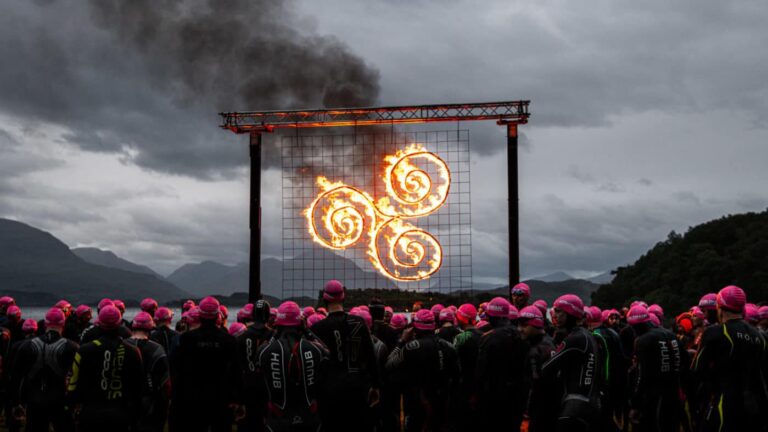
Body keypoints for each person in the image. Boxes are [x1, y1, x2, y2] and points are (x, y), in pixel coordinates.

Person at [692, 285, 768, 431]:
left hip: (726, 405)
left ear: (719, 308)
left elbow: (697, 372)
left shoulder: (715, 332)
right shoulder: (761, 336)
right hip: (756, 406)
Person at [309, 280, 380, 432]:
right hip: (357, 388)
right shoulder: (359, 322)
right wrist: (375, 385)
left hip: (329, 391)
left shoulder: (316, 328)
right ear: (343, 297)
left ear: (325, 299)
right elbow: (371, 356)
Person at [66, 305, 144, 432]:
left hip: (91, 412)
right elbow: (138, 386)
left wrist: (69, 405)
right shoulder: (133, 351)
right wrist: (136, 414)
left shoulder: (84, 350)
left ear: (99, 324)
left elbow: (73, 382)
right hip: (121, 413)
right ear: (120, 323)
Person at [170, 296, 242, 432]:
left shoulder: (186, 339)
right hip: (221, 400)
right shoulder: (229, 340)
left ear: (200, 316)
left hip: (193, 400)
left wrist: (177, 399)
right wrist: (237, 399)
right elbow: (236, 372)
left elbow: (178, 371)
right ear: (217, 316)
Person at [256, 301, 327, 432]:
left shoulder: (266, 351)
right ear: (300, 323)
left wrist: (276, 333)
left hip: (278, 420)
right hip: (309, 418)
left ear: (277, 324)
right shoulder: (315, 349)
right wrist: (307, 331)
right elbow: (326, 352)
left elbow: (259, 357)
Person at [385, 308, 459, 432]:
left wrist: (401, 341)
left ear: (415, 327)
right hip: (442, 403)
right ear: (434, 325)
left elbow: (389, 364)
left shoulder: (411, 347)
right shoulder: (449, 346)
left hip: (416, 405)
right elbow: (457, 377)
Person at [8, 308, 78, 432]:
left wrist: (16, 402)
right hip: (61, 401)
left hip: (34, 401)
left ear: (45, 324)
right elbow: (78, 376)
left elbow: (15, 376)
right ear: (63, 324)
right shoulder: (71, 347)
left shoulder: (27, 345)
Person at [541, 294, 601, 432]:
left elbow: (546, 369)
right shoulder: (587, 335)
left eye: (558, 311)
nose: (554, 315)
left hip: (575, 407)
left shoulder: (575, 338)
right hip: (592, 404)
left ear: (570, 312)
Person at [625, 305, 683, 432]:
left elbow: (642, 376)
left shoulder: (643, 340)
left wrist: (635, 404)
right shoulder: (671, 335)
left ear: (637, 326)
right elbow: (684, 364)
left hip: (656, 399)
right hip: (674, 396)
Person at [476, 297, 528, 430]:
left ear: (493, 317)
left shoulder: (488, 338)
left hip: (494, 396)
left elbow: (481, 371)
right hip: (517, 395)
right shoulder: (521, 336)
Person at [124, 312, 170, 432]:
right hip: (150, 400)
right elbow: (165, 380)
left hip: (124, 399)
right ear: (150, 328)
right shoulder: (157, 349)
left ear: (133, 327)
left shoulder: (122, 345)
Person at [237, 299, 274, 432]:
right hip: (268, 389)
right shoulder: (274, 336)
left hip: (247, 387)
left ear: (253, 315)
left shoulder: (240, 338)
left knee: (248, 424)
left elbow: (236, 369)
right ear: (269, 316)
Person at [518, 305, 557, 432]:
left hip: (538, 412)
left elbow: (534, 387)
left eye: (524, 325)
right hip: (552, 408)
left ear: (535, 325)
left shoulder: (535, 351)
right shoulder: (551, 341)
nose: (519, 329)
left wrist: (526, 417)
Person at [452, 303, 482, 431]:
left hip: (463, 385)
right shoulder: (484, 335)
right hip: (480, 386)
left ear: (461, 318)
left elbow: (454, 362)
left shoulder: (461, 338)